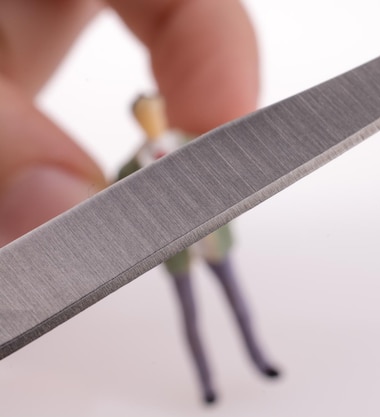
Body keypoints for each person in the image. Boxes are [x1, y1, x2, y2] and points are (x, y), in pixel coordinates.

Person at [0, 0, 259, 247]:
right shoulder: (138, 162)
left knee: (224, 274)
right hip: (171, 238)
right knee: (185, 283)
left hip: (205, 233)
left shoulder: (183, 144)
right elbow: (124, 183)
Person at [119, 93, 279, 404]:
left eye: (154, 112)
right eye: (144, 115)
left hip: (213, 241)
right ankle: (206, 385)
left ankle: (260, 360)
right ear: (137, 122)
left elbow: (224, 176)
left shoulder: (195, 142)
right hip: (176, 252)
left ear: (164, 111)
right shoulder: (129, 168)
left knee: (239, 304)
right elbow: (125, 212)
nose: (151, 120)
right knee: (191, 318)